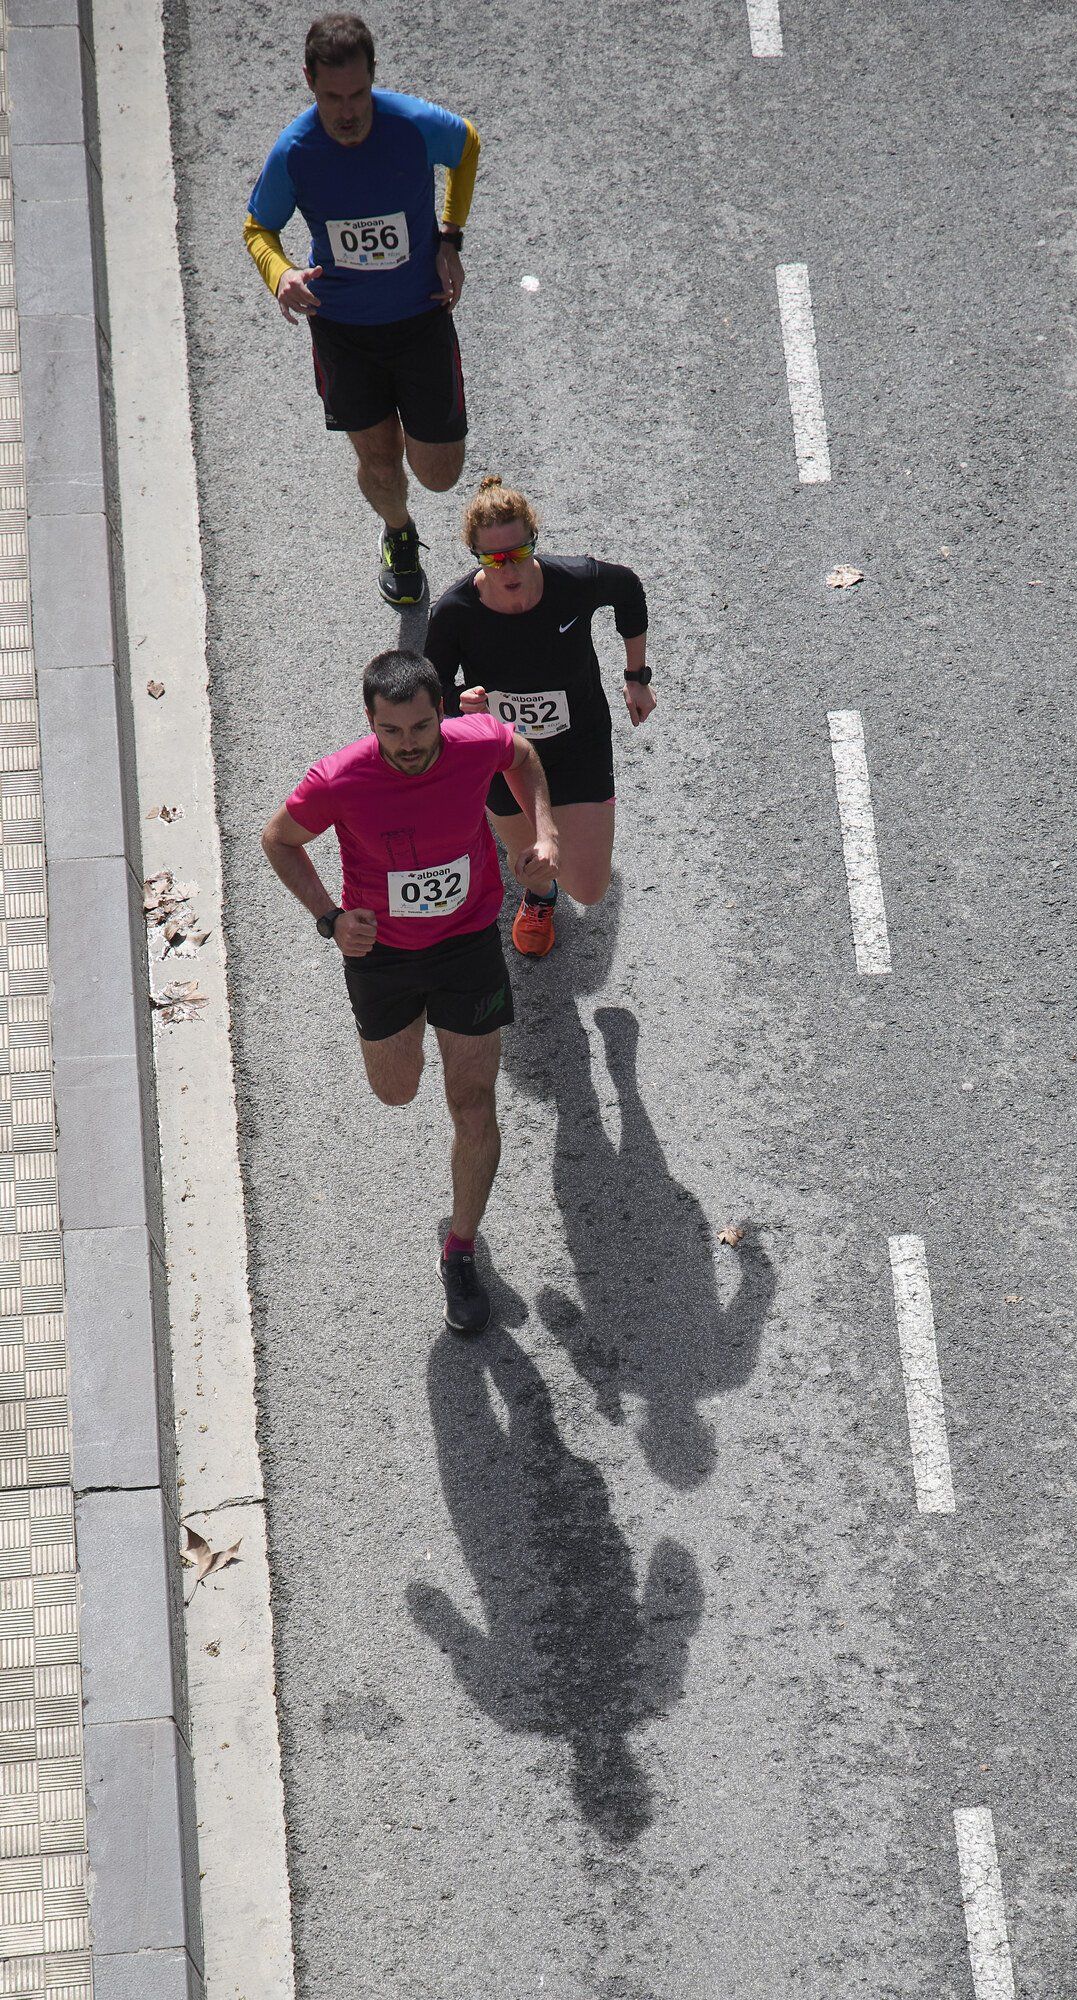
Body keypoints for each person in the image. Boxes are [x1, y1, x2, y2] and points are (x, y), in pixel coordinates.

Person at [259, 650, 558, 1333]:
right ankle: (414, 1027)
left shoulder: (472, 741)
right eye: (391, 731)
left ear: (441, 714)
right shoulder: (339, 778)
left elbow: (521, 754)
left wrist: (544, 832)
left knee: (473, 1102)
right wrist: (330, 919)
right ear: (370, 722)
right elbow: (278, 839)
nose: (409, 744)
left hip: (467, 944)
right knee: (396, 1090)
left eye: (421, 727)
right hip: (383, 958)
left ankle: (460, 1250)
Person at [244, 13, 479, 608]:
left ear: (373, 77)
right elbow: (258, 228)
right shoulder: (296, 152)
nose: (346, 113)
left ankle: (413, 469)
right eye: (331, 98)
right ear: (310, 82)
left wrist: (450, 238)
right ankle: (398, 533)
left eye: (357, 95)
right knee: (378, 457)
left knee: (440, 473)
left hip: (420, 317)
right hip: (343, 331)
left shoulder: (412, 125)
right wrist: (281, 274)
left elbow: (467, 145)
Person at [424, 477, 653, 958]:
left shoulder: (574, 581)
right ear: (476, 555)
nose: (508, 568)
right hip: (503, 756)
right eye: (493, 559)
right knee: (531, 859)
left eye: (518, 553)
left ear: (534, 540)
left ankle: (557, 866)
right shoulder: (454, 612)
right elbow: (432, 687)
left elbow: (629, 589)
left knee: (589, 888)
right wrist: (459, 701)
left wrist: (636, 675)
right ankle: (540, 898)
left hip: (578, 742)